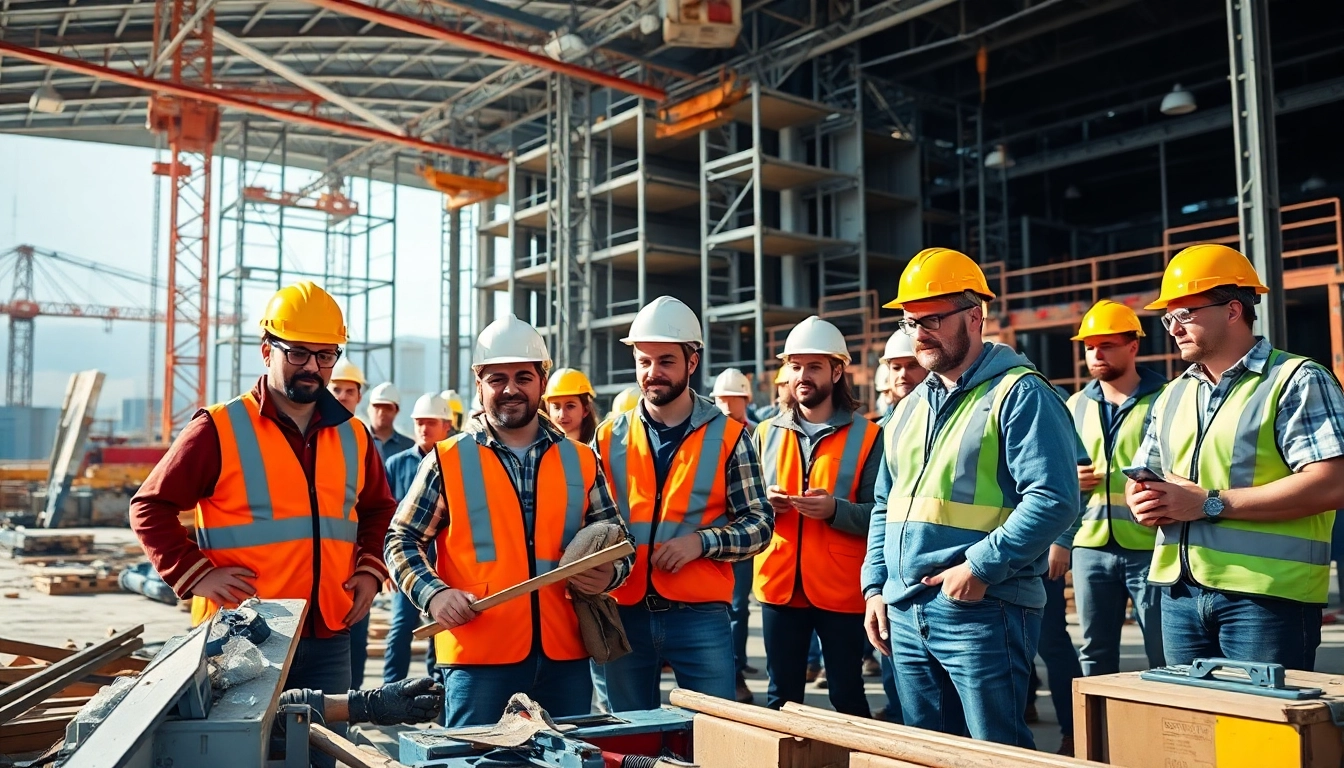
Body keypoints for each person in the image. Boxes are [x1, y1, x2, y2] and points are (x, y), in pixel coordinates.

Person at [129, 281, 397, 749]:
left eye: (325, 355)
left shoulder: (354, 435)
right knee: (242, 754)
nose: (312, 366)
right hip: (244, 635)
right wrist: (196, 574)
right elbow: (149, 506)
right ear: (267, 350)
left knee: (322, 753)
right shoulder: (218, 427)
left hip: (329, 632)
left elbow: (378, 509)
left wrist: (371, 568)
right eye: (298, 353)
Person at [861, 248, 1079, 748]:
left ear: (975, 316)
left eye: (932, 320)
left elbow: (1053, 498)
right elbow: (884, 506)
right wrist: (875, 587)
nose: (919, 333)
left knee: (994, 751)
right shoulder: (907, 409)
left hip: (982, 608)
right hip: (905, 610)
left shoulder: (1020, 393)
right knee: (929, 752)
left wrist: (978, 568)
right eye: (910, 321)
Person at [384, 314, 634, 726]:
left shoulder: (581, 459)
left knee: (567, 754)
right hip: (478, 657)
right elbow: (400, 540)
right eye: (497, 378)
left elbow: (621, 543)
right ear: (479, 383)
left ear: (542, 381)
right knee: (477, 755)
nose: (510, 389)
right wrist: (434, 595)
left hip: (565, 655)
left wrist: (611, 574)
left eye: (523, 377)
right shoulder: (446, 460)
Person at [1127, 244, 1344, 671]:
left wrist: (1209, 503)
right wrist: (1145, 501)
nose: (1174, 328)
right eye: (1168, 318)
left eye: (1185, 313)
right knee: (1189, 715)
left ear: (1232, 310)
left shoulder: (1296, 380)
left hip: (1267, 597)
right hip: (1180, 593)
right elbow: (1149, 477)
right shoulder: (1171, 395)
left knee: (1261, 716)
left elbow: (1333, 483)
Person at [591, 295, 773, 710]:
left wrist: (701, 543)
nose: (652, 372)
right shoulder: (607, 436)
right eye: (644, 361)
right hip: (623, 609)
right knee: (631, 735)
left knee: (710, 734)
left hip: (699, 616)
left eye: (666, 361)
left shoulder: (730, 436)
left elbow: (760, 524)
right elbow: (590, 522)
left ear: (692, 362)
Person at [755, 316, 881, 718]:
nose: (802, 376)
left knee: (848, 696)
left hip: (841, 587)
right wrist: (766, 503)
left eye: (813, 367)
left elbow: (880, 514)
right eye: (795, 366)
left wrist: (834, 510)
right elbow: (743, 508)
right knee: (781, 698)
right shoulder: (764, 433)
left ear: (837, 371)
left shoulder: (868, 436)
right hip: (778, 583)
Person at [1066, 300, 1168, 679]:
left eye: (1106, 345)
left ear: (1133, 346)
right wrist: (1070, 479)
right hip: (1090, 547)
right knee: (1095, 651)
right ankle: (1096, 720)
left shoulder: (1167, 399)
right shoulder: (1074, 405)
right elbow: (1054, 473)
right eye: (1090, 346)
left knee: (1163, 650)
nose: (1096, 354)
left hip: (1150, 544)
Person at [871, 329, 929, 722]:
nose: (903, 375)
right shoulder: (885, 427)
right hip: (895, 578)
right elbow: (881, 508)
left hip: (942, 580)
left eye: (911, 365)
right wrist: (874, 585)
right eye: (895, 367)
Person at [382, 394, 456, 687]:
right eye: (419, 422)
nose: (424, 428)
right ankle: (390, 690)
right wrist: (386, 565)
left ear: (447, 425)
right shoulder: (397, 464)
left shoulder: (457, 464)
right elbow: (386, 515)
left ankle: (438, 691)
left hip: (447, 566)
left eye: (430, 422)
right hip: (410, 565)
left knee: (441, 631)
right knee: (401, 628)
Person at [710, 366, 759, 704]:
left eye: (734, 399)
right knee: (722, 610)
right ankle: (730, 671)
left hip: (742, 535)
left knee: (739, 608)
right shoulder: (708, 436)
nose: (727, 406)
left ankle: (736, 669)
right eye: (722, 399)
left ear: (746, 400)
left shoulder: (755, 434)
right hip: (712, 537)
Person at [544, 368, 600, 443]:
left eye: (570, 406)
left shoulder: (600, 448)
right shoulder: (539, 448)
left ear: (586, 409)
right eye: (556, 407)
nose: (562, 415)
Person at [367, 382, 414, 460]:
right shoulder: (355, 442)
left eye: (387, 408)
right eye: (377, 407)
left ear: (397, 411)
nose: (381, 412)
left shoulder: (409, 447)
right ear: (369, 409)